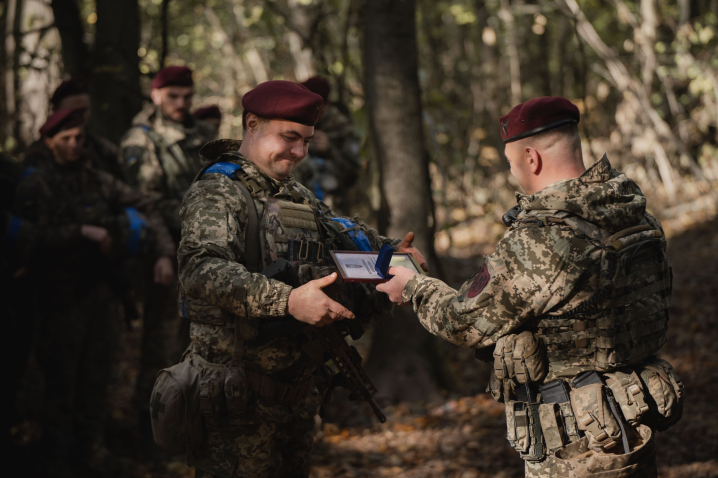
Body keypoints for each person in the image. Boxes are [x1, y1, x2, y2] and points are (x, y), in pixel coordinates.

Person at [377, 97, 681, 478]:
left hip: (574, 440)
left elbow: (462, 321)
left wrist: (412, 287)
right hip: (631, 415)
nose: (513, 172)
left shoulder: (545, 237)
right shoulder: (631, 210)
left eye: (510, 163)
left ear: (531, 158)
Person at [174, 80, 426, 478]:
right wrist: (287, 301)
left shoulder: (291, 191)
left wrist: (391, 254)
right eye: (289, 137)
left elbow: (335, 234)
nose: (300, 151)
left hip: (294, 395)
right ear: (252, 124)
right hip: (237, 401)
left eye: (306, 140)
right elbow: (200, 269)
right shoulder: (219, 191)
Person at [14, 107, 176, 477]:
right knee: (60, 387)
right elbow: (28, 240)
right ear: (49, 141)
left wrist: (164, 253)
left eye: (79, 139)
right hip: (59, 299)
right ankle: (55, 460)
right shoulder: (36, 184)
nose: (74, 145)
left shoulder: (98, 180)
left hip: (100, 296)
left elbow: (144, 204)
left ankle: (90, 455)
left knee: (95, 381)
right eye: (65, 139)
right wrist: (80, 233)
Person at [118, 65, 216, 443]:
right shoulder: (141, 140)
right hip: (167, 252)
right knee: (161, 343)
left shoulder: (204, 135)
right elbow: (146, 201)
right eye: (172, 96)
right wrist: (205, 211)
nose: (181, 103)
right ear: (156, 95)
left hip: (209, 255)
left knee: (203, 341)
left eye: (187, 96)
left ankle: (191, 424)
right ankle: (150, 430)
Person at [23, 77, 125, 179]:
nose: (80, 116)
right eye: (73, 110)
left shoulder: (103, 149)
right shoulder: (38, 153)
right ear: (56, 111)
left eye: (84, 110)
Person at [291, 76, 361, 213]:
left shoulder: (341, 128)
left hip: (334, 208)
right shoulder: (298, 123)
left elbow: (353, 174)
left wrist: (329, 150)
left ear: (323, 104)